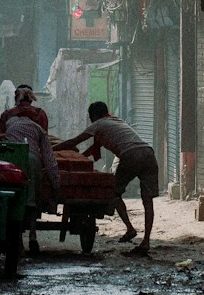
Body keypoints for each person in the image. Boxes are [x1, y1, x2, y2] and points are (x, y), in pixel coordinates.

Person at [55, 102, 159, 254]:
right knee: (147, 200)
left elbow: (73, 142)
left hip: (130, 155)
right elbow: (94, 148)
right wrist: (80, 159)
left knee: (114, 193)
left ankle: (130, 229)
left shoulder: (98, 124)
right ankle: (146, 241)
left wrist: (49, 149)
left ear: (94, 115)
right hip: (148, 152)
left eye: (90, 116)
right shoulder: (116, 121)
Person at [0, 108, 60, 257]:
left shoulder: (9, 122)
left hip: (12, 158)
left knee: (14, 200)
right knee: (31, 200)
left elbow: (0, 142)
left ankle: (18, 242)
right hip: (32, 160)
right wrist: (56, 185)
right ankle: (33, 237)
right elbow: (49, 158)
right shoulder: (38, 128)